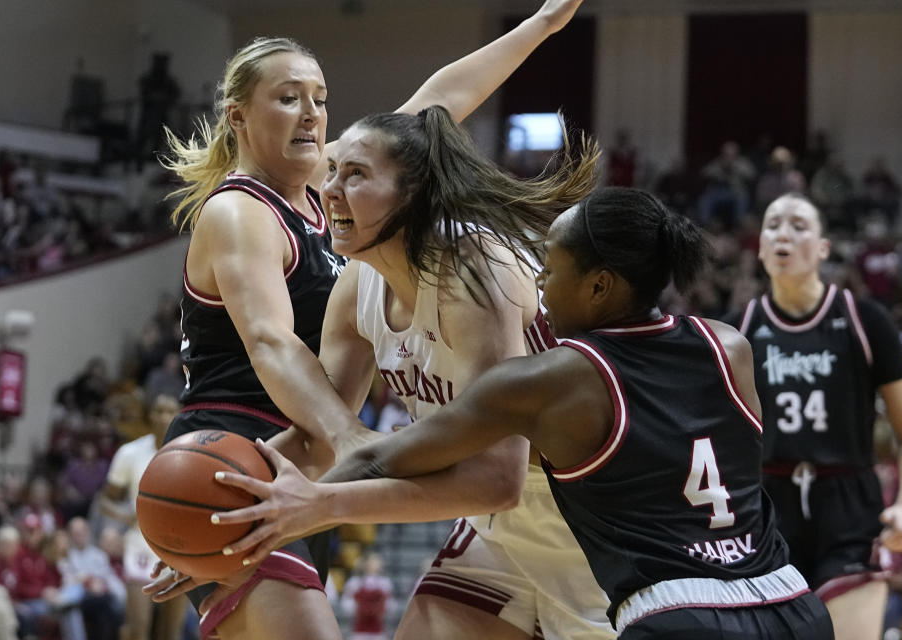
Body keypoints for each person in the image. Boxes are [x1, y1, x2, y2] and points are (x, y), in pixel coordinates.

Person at [207, 187, 834, 638]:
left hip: (669, 611)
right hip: (788, 598)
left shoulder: (554, 378)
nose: (537, 286)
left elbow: (382, 455)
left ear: (599, 285)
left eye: (552, 271)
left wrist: (289, 513)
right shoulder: (730, 346)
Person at [146, 3, 589, 639]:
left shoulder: (356, 200)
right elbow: (271, 342)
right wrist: (348, 441)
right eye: (289, 97)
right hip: (243, 439)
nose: (311, 113)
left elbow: (433, 107)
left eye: (320, 98)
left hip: (318, 455)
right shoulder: (243, 210)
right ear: (238, 115)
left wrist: (540, 24)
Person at [728, 193, 902, 640]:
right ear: (759, 248)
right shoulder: (735, 331)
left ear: (822, 248)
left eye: (798, 225)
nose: (783, 233)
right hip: (765, 509)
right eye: (773, 224)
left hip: (850, 505)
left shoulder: (864, 320)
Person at [100, 393, 188, 640]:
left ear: (179, 415)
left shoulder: (193, 453)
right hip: (140, 544)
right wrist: (122, 520)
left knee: (171, 632)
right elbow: (105, 499)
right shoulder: (130, 453)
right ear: (149, 415)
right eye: (158, 411)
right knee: (137, 627)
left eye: (169, 411)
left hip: (178, 548)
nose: (163, 416)